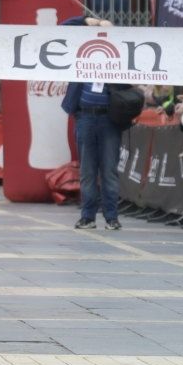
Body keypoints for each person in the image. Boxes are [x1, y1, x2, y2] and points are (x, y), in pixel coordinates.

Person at [60, 15, 122, 231]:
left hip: (109, 119)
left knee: (109, 170)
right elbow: (63, 28)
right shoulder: (80, 50)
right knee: (87, 171)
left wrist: (111, 28)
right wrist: (87, 20)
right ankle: (87, 216)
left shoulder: (119, 53)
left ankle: (111, 217)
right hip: (85, 116)